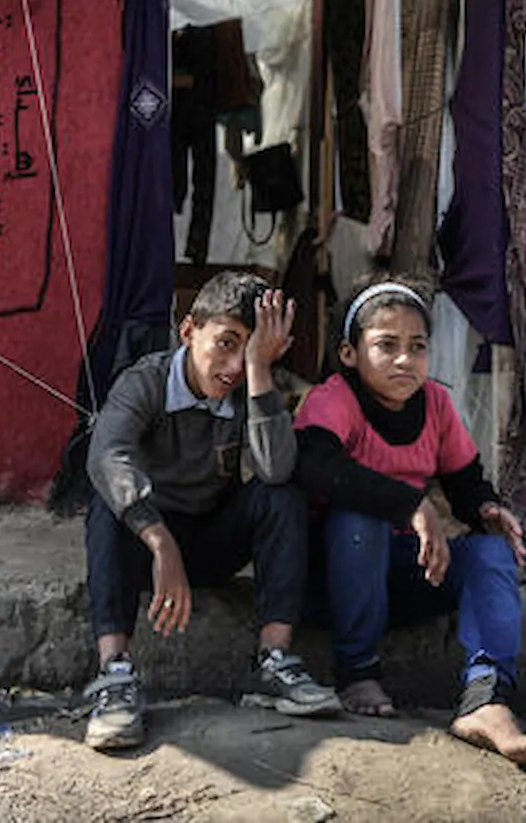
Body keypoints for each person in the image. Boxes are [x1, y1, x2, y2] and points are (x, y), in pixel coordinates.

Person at [293, 280, 526, 764]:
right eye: (386, 346)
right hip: (329, 582)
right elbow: (316, 468)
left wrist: (484, 508)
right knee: (359, 519)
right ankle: (357, 670)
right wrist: (411, 504)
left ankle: (485, 698)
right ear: (350, 354)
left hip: (404, 578)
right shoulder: (332, 401)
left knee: (489, 550)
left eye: (417, 347)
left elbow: (464, 480)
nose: (404, 360)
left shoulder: (435, 403)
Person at [83, 271, 341, 751]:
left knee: (281, 496)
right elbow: (107, 455)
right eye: (225, 343)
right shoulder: (146, 381)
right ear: (188, 331)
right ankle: (114, 675)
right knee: (105, 503)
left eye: (250, 349)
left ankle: (275, 661)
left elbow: (277, 467)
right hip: (148, 547)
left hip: (210, 542)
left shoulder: (250, 388)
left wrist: (262, 373)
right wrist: (159, 542)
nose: (233, 365)